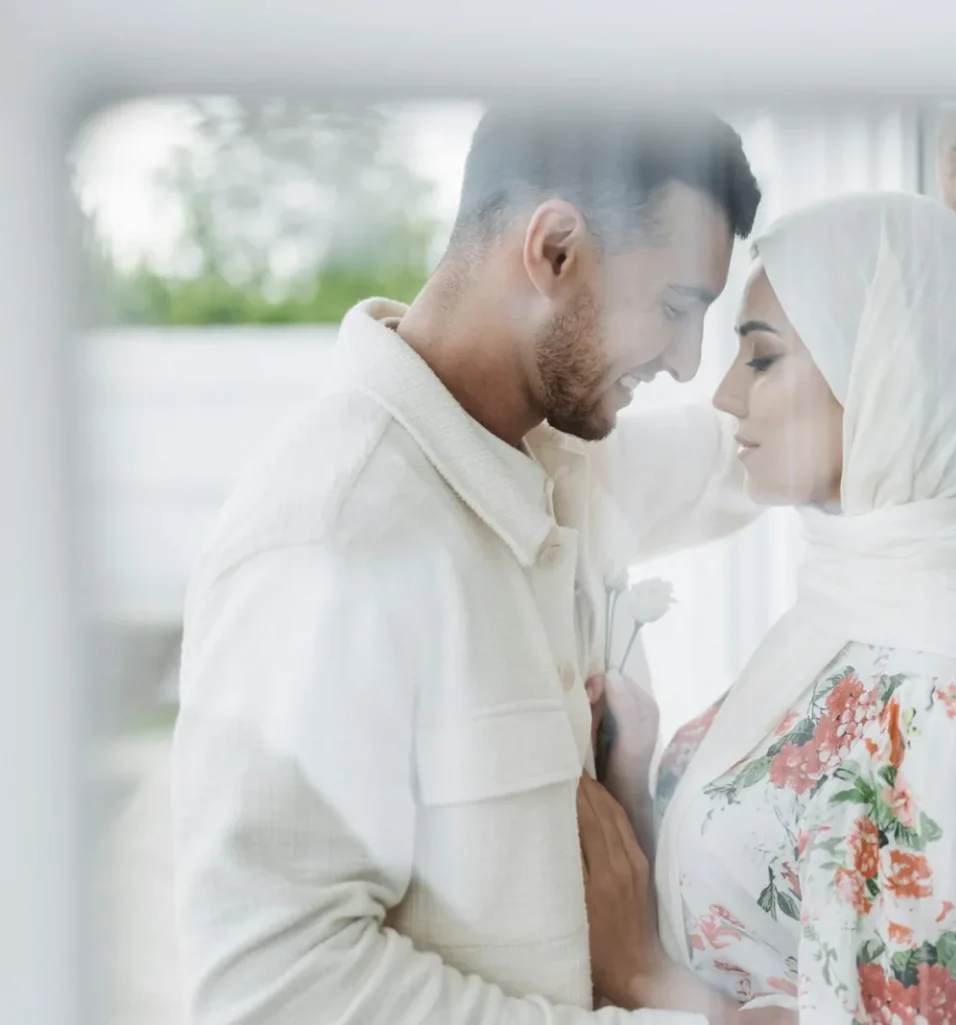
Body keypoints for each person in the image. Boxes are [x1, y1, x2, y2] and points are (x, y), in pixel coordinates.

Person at [170, 108, 765, 1025]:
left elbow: (762, 439)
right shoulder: (328, 538)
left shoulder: (565, 456)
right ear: (556, 249)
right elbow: (275, 985)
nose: (689, 363)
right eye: (677, 308)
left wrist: (945, 253)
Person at [578, 191, 956, 1025]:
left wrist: (639, 975)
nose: (726, 393)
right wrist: (638, 775)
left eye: (761, 359)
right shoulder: (851, 606)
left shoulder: (937, 693)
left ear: (885, 378)